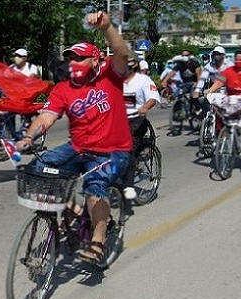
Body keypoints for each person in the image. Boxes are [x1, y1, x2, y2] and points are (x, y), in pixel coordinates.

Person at [16, 11, 132, 264]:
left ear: (94, 60)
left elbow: (122, 54)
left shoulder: (109, 77)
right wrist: (28, 137)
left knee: (94, 186)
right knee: (39, 169)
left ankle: (98, 241)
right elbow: (46, 117)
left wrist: (107, 27)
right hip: (79, 147)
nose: (74, 63)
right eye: (70, 59)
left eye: (80, 58)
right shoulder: (62, 89)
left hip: (113, 150)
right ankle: (79, 212)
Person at [122, 51, 161, 214]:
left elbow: (153, 97)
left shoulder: (144, 80)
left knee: (128, 148)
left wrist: (145, 106)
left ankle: (129, 185)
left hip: (135, 121)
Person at [207, 50, 241, 161]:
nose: (238, 61)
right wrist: (210, 91)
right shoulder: (228, 71)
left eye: (240, 59)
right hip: (232, 100)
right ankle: (220, 137)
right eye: (236, 59)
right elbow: (219, 82)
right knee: (219, 113)